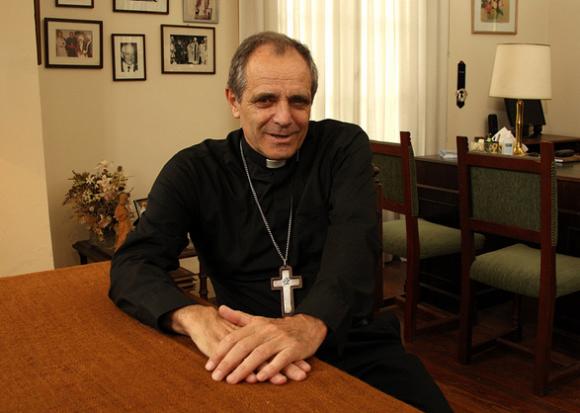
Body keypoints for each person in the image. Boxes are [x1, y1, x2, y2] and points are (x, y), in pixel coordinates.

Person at [110, 31, 452, 413]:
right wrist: (192, 317)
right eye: (266, 100)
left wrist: (311, 323)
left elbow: (356, 245)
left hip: (347, 339)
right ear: (234, 101)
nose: (284, 118)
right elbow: (133, 262)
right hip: (248, 352)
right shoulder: (194, 171)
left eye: (298, 101)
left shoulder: (341, 147)